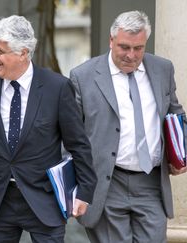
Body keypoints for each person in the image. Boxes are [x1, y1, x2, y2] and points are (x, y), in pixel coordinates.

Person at [0, 15, 97, 243]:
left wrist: (84, 191)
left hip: (44, 198)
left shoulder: (57, 87)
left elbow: (78, 143)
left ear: (23, 52)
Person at [69, 10, 187, 243]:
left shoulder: (163, 69)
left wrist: (181, 150)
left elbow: (175, 113)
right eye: (124, 47)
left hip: (151, 182)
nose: (131, 55)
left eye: (138, 48)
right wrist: (74, 185)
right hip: (107, 182)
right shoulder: (83, 76)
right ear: (111, 41)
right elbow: (72, 134)